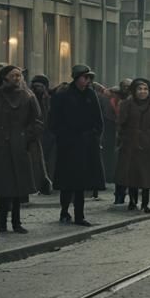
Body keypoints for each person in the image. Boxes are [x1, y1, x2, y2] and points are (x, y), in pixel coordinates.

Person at [0, 65, 42, 233]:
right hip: (1, 147)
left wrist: (27, 137)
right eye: (13, 75)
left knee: (18, 186)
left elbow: (36, 120)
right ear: (5, 77)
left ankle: (16, 222)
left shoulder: (28, 95)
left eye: (19, 76)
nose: (17, 78)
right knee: (3, 186)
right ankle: (1, 224)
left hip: (20, 146)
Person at [50, 65, 106, 226]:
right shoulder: (63, 96)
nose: (87, 81)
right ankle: (64, 211)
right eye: (84, 77)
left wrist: (95, 136)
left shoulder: (91, 95)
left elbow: (98, 119)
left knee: (82, 182)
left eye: (89, 78)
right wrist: (63, 136)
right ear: (76, 78)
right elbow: (54, 120)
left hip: (87, 144)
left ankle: (79, 215)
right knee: (67, 182)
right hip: (68, 145)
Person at [115, 78, 150, 213]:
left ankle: (145, 203)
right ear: (134, 91)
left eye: (145, 89)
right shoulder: (127, 104)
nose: (142, 92)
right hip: (131, 145)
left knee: (146, 176)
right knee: (132, 175)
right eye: (140, 89)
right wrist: (126, 137)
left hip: (148, 146)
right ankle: (132, 201)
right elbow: (121, 124)